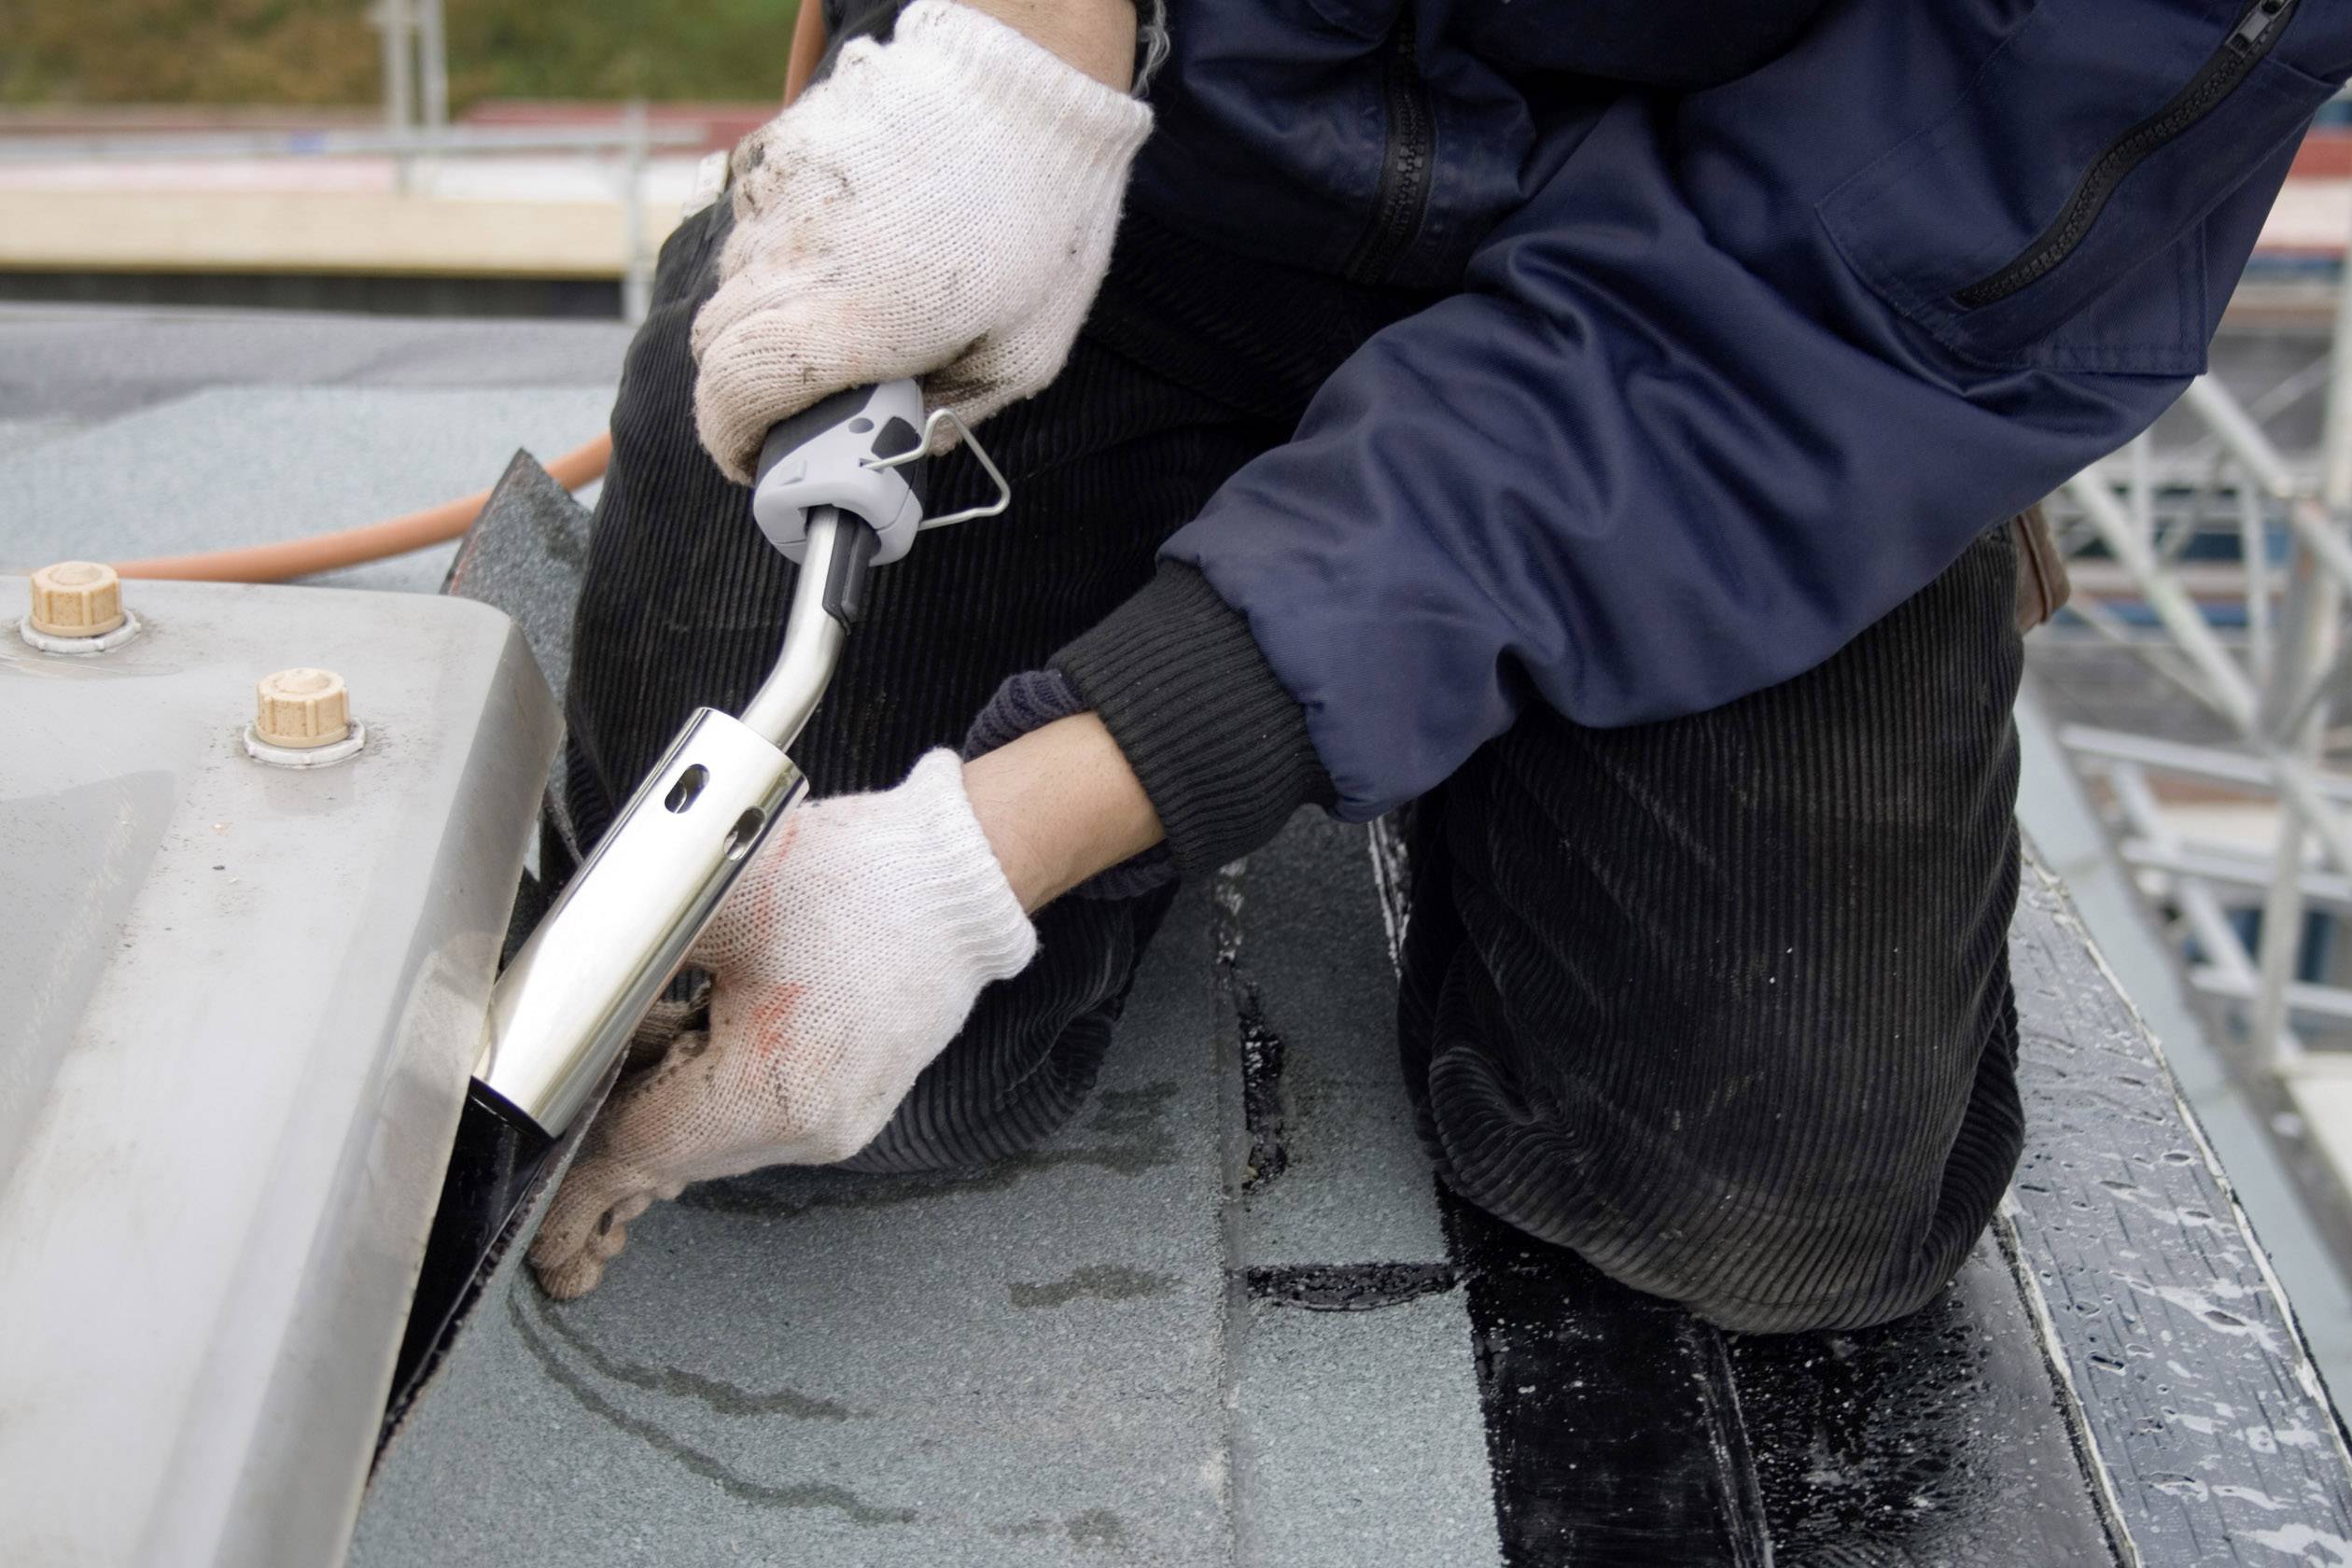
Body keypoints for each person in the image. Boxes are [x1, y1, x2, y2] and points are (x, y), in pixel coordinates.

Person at [525, 0, 2350, 1331]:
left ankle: (1407, 626)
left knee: (1749, 1195)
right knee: (794, 1081)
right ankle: (1316, 592)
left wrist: (989, 845)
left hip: (1736, 334)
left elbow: (1845, 278)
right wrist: (1021, 64)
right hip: (1155, 185)